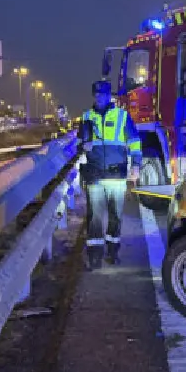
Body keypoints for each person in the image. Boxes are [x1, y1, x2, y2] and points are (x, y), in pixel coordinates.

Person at [78, 80, 142, 269]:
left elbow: (134, 142)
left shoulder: (122, 116)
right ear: (93, 96)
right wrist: (83, 145)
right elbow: (79, 143)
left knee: (115, 216)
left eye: (103, 94)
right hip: (95, 176)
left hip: (116, 175)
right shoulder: (86, 117)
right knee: (95, 218)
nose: (99, 97)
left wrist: (136, 165)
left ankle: (113, 252)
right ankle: (94, 256)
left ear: (109, 95)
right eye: (96, 94)